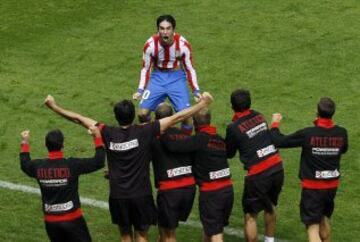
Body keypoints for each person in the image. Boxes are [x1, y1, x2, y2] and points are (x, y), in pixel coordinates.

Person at [44, 92, 213, 242]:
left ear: (116, 117)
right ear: (133, 116)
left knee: (125, 236)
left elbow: (78, 118)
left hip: (118, 195)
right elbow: (176, 118)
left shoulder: (107, 132)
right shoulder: (145, 131)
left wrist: (54, 106)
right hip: (141, 194)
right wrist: (202, 104)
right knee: (142, 236)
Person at [270, 97, 348, 242]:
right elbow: (343, 150)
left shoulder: (308, 134)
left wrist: (275, 124)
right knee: (324, 219)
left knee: (312, 228)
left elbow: (279, 141)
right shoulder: (342, 133)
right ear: (333, 113)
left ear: (316, 112)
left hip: (313, 188)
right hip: (332, 187)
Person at [19, 127, 106, 242]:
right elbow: (98, 162)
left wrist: (25, 142)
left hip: (51, 223)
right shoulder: (72, 165)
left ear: (45, 144)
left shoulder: (38, 166)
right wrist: (97, 137)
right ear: (63, 144)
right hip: (73, 220)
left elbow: (25, 164)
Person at [161, 108, 234, 242]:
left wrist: (162, 133)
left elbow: (174, 146)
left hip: (212, 193)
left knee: (216, 234)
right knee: (210, 229)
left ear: (195, 124)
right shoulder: (219, 139)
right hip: (228, 190)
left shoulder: (200, 139)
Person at [225, 89, 284, 242]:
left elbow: (229, 153)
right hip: (277, 167)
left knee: (251, 216)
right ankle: (270, 240)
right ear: (249, 103)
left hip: (259, 175)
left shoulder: (233, 127)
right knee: (270, 205)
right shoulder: (259, 116)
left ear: (232, 106)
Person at [132, 14, 201, 134]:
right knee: (142, 114)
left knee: (186, 117)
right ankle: (152, 135)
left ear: (173, 30)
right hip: (158, 77)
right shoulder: (150, 45)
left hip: (177, 78)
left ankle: (184, 143)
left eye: (168, 28)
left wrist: (196, 90)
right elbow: (146, 68)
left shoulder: (183, 45)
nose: (165, 32)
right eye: (162, 28)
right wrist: (140, 90)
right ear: (158, 30)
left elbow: (190, 68)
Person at [151, 103, 196, 242]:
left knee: (169, 235)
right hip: (189, 189)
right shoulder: (185, 135)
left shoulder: (153, 139)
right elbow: (188, 123)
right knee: (164, 228)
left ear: (156, 119)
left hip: (170, 191)